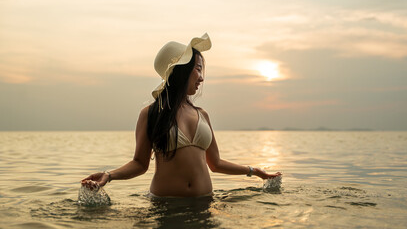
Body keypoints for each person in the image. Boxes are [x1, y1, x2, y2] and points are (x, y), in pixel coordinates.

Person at [81, 33, 281, 197]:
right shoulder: (151, 113)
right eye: (198, 69)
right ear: (182, 71)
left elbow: (216, 163)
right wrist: (109, 175)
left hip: (205, 206)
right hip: (165, 207)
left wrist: (256, 172)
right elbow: (140, 164)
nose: (202, 78)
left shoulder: (202, 115)